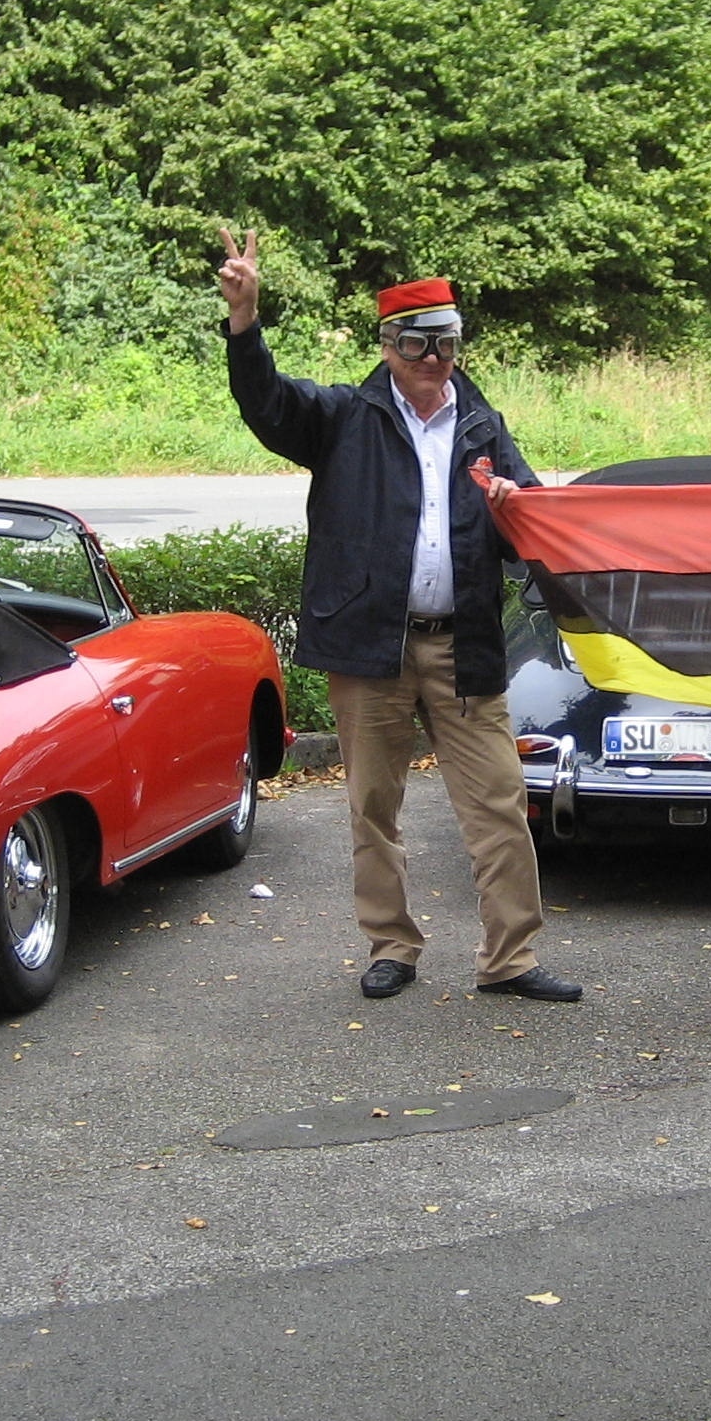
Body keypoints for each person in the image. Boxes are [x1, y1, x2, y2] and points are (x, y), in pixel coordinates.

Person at [217, 227, 579, 1003]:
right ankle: (391, 944)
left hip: (466, 649)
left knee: (499, 804)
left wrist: (519, 510)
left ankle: (510, 958)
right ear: (388, 346)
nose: (435, 359)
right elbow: (267, 403)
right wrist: (246, 324)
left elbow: (532, 523)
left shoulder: (481, 424)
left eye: (447, 342)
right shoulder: (345, 417)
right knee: (372, 806)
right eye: (419, 344)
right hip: (370, 647)